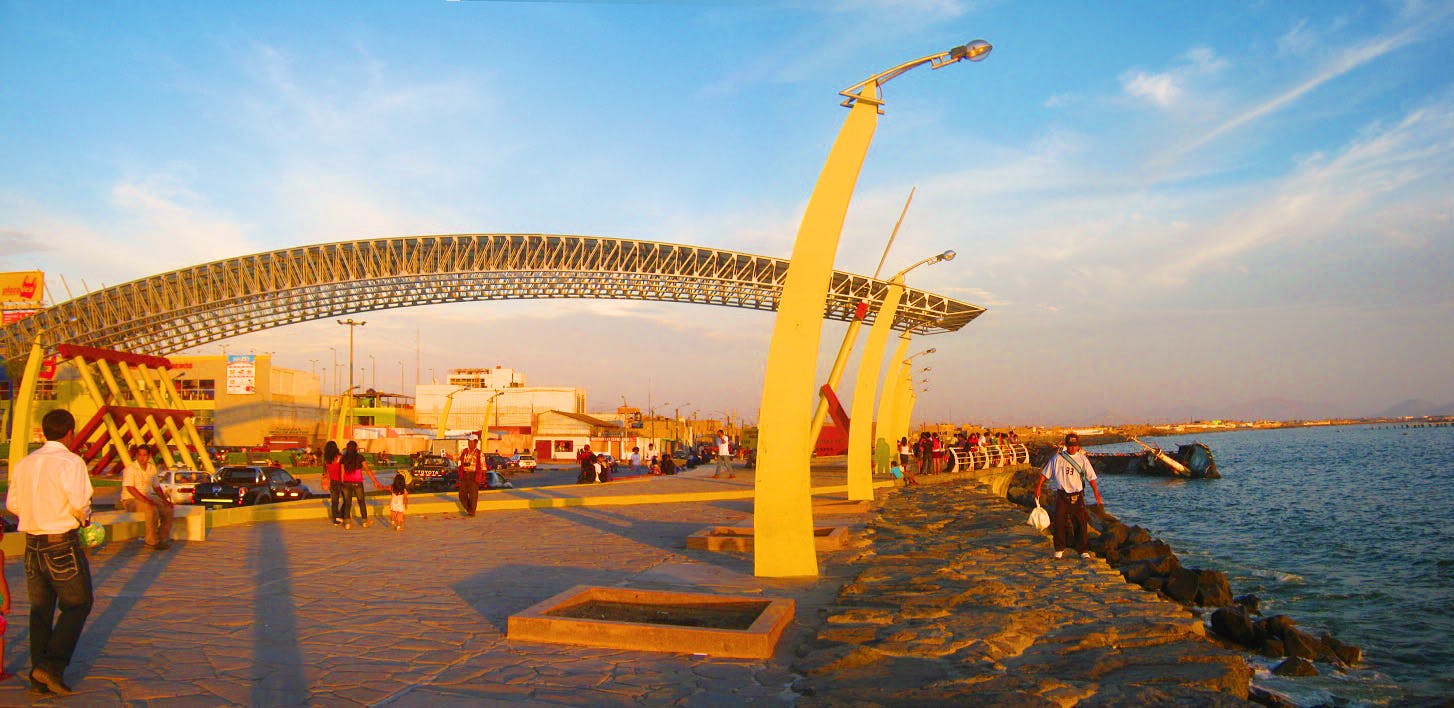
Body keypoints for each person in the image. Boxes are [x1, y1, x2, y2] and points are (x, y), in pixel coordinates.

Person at [6, 409, 94, 696]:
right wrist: (85, 520)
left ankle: (37, 675)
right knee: (78, 603)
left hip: (32, 543)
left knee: (40, 611)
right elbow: (80, 503)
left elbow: (13, 505)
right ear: (70, 432)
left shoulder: (25, 464)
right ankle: (52, 665)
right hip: (60, 543)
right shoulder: (71, 462)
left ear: (44, 432)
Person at [1034, 433, 1104, 559]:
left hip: (1077, 496)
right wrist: (1038, 487)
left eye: (1075, 445)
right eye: (1070, 446)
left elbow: (1091, 478)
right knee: (1059, 522)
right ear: (1066, 446)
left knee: (1080, 523)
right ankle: (1059, 549)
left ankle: (1082, 550)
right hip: (1062, 495)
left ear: (1078, 446)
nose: (1072, 448)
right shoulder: (1057, 458)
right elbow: (1045, 474)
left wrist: (1097, 495)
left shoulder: (1083, 459)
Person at [119, 444, 174, 550]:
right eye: (139, 455)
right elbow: (130, 488)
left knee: (168, 509)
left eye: (144, 455)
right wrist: (146, 501)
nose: (142, 457)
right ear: (136, 455)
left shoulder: (152, 468)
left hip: (147, 497)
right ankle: (151, 541)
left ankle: (162, 538)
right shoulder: (130, 469)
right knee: (151, 509)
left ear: (149, 456)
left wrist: (165, 500)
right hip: (130, 500)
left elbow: (156, 487)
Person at [340, 441, 382, 529]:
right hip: (357, 482)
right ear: (355, 448)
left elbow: (342, 471)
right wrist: (375, 481)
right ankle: (364, 522)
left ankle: (347, 523)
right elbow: (367, 469)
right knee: (361, 501)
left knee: (347, 502)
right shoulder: (360, 457)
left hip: (346, 482)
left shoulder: (344, 458)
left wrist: (342, 483)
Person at [457, 437, 485, 515]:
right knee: (461, 495)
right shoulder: (464, 451)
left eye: (471, 442)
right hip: (464, 474)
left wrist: (482, 477)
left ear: (476, 443)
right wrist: (447, 455)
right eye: (469, 442)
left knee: (473, 495)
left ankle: (472, 511)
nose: (469, 444)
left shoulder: (480, 453)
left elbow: (483, 466)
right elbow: (456, 457)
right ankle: (469, 509)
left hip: (474, 475)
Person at [323, 441, 343, 526]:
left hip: (332, 482)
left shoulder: (326, 460)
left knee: (334, 501)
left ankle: (336, 519)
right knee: (346, 499)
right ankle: (340, 515)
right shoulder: (340, 457)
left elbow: (325, 472)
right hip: (341, 480)